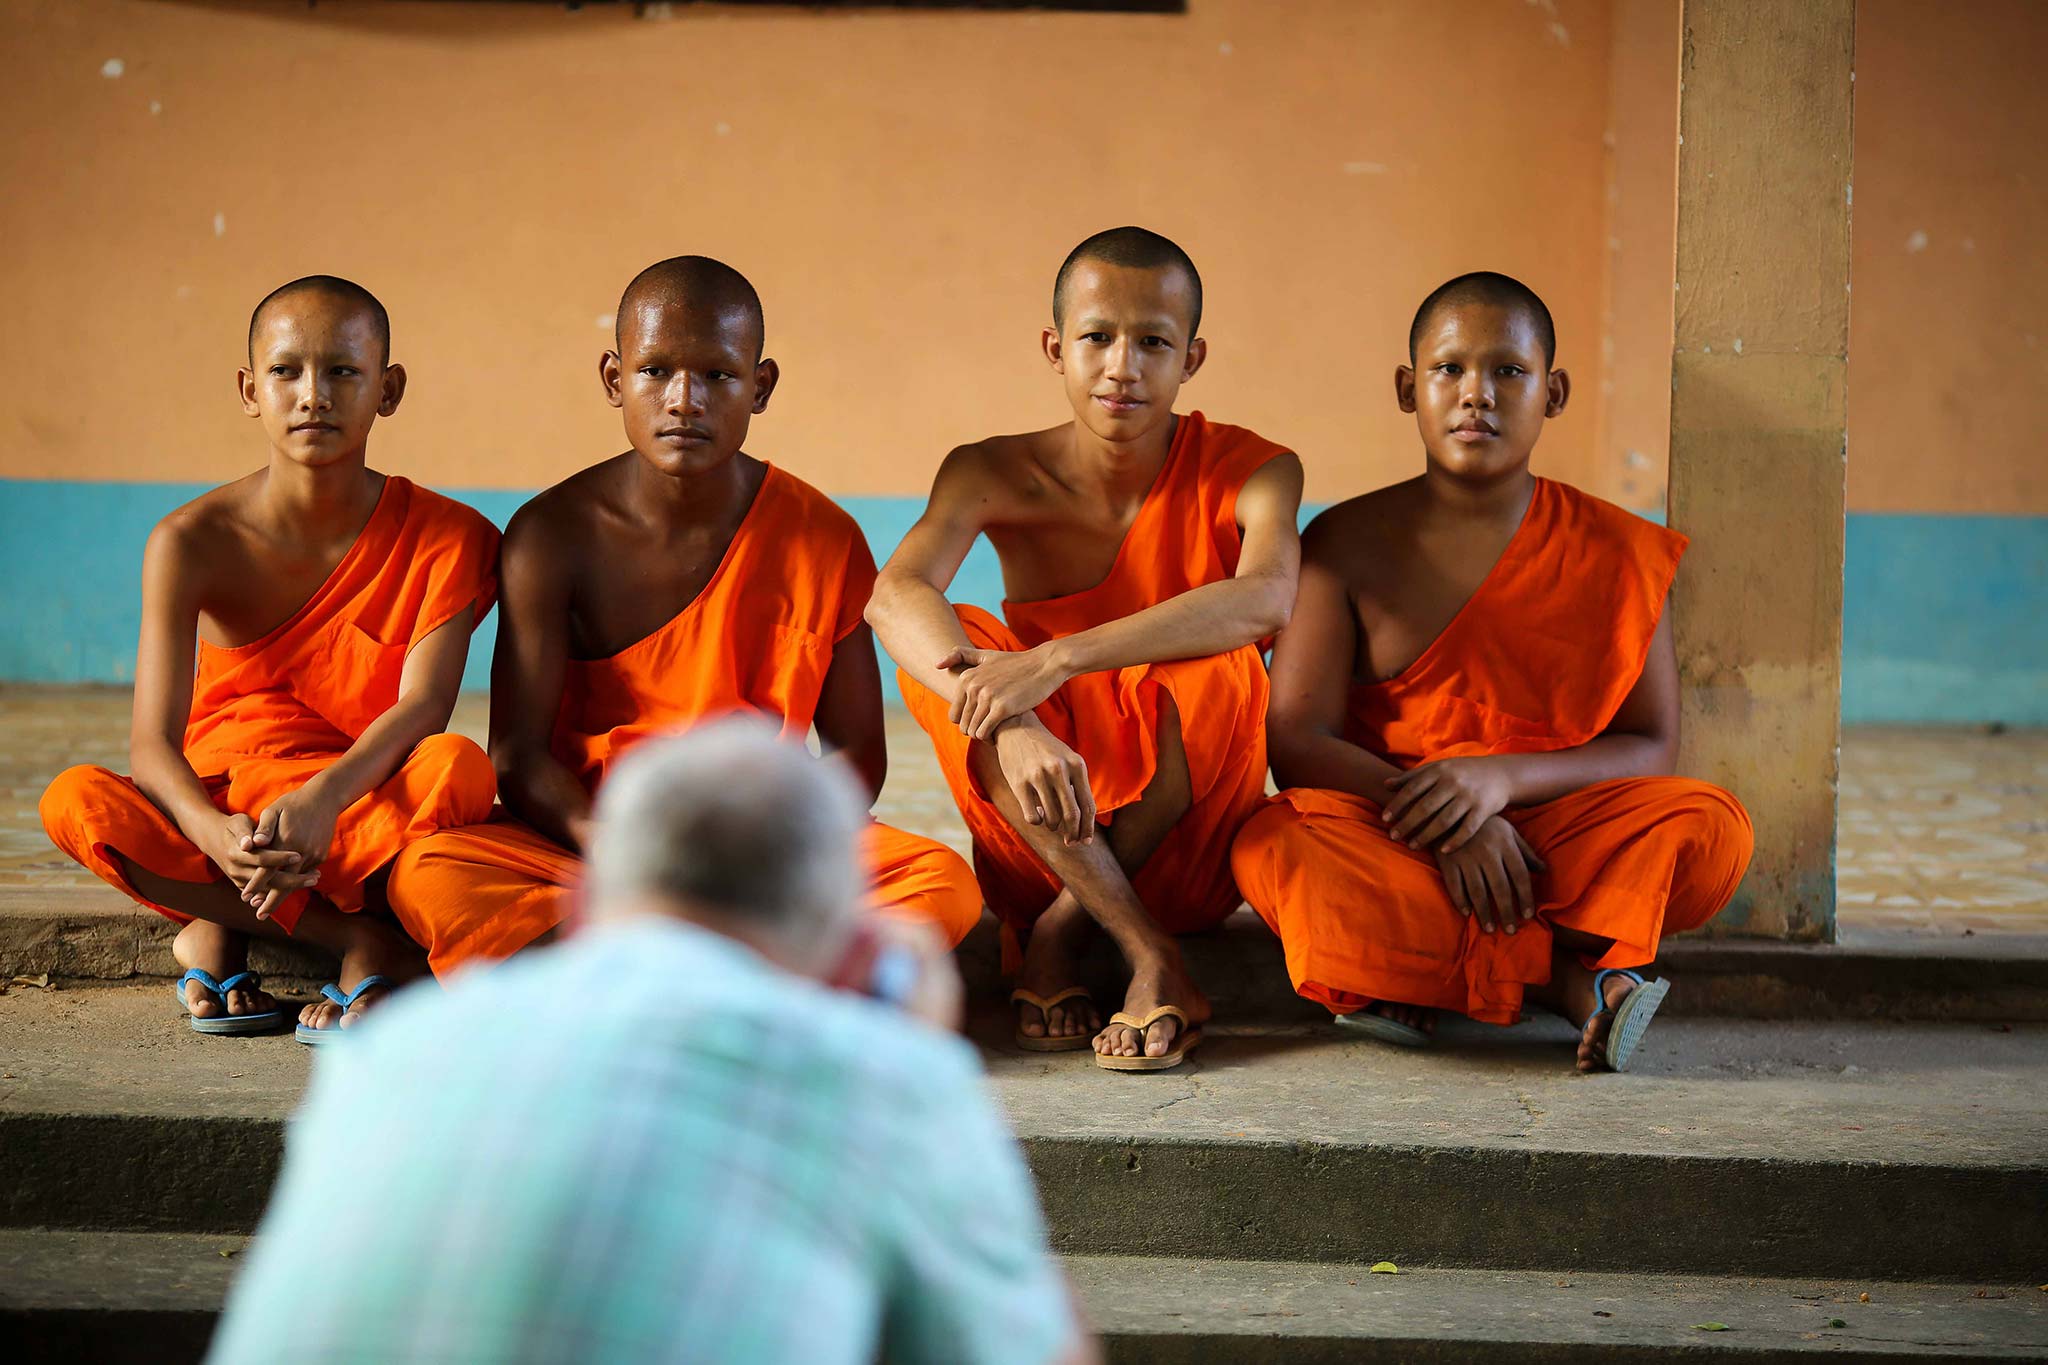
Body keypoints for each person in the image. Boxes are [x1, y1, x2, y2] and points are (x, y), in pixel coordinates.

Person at [207, 720, 1097, 1365]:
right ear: (852, 939)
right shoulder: (874, 1077)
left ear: (582, 909)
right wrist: (913, 1047)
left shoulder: (387, 1057)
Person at [382, 256, 981, 976]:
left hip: (757, 842)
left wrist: (773, 849)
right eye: (656, 371)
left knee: (941, 884)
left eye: (719, 375)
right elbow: (519, 755)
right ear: (614, 379)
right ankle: (758, 970)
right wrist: (617, 848)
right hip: (596, 840)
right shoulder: (552, 534)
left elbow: (856, 755)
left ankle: (621, 971)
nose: (684, 399)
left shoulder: (822, 535)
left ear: (759, 387)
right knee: (430, 869)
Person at [1230, 272, 1754, 1072]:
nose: (1477, 393)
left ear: (1555, 391)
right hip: (1392, 823)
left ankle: (1423, 971)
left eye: (1509, 371)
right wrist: (1451, 819)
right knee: (1277, 841)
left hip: (1550, 833)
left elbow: (1651, 745)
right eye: (1449, 370)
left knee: (1709, 827)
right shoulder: (1342, 541)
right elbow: (1298, 740)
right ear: (1410, 389)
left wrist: (1497, 783)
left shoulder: (1616, 549)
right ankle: (1570, 984)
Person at [868, 227, 1303, 1070]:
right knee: (955, 647)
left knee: (1224, 664)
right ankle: (1150, 953)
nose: (1122, 367)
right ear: (1054, 347)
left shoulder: (1257, 468)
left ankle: (1068, 930)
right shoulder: (992, 469)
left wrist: (1057, 658)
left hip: (1184, 851)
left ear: (1193, 356)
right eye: (1097, 338)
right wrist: (1016, 719)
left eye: (1154, 343)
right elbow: (894, 594)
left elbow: (1265, 597)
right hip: (1041, 822)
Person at [39, 276, 499, 1042]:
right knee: (75, 801)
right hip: (233, 802)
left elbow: (423, 708)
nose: (312, 394)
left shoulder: (448, 535)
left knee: (460, 770)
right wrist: (214, 832)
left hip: (361, 791)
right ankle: (357, 939)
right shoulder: (190, 540)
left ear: (388, 389)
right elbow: (151, 745)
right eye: (287, 371)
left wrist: (324, 797)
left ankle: (216, 922)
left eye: (343, 372)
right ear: (251, 390)